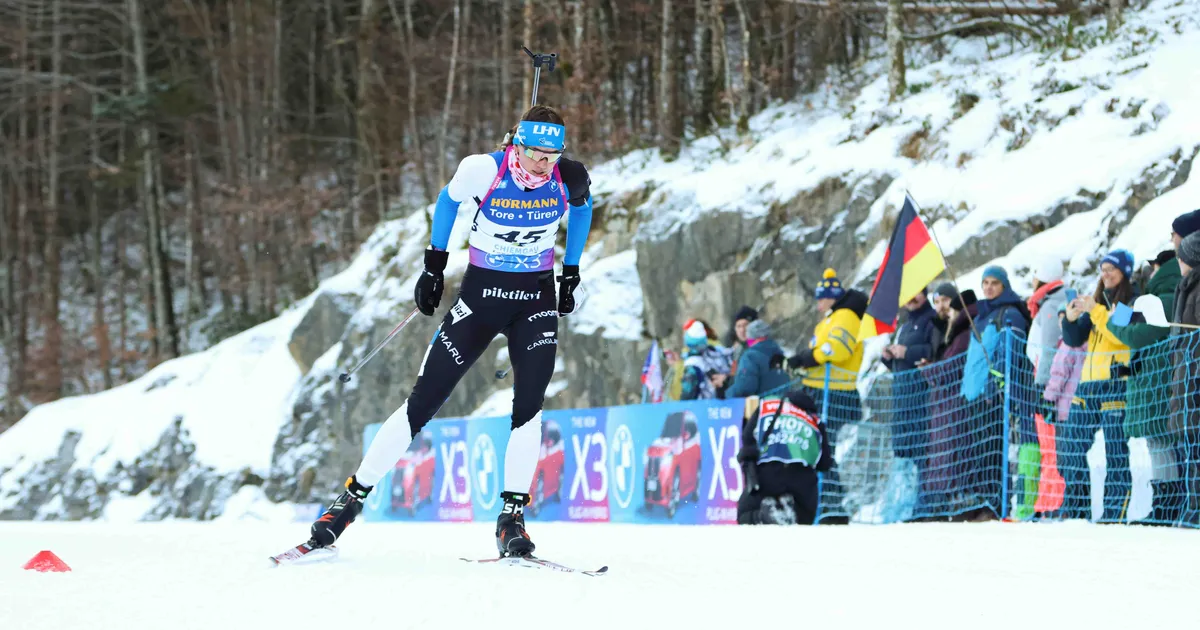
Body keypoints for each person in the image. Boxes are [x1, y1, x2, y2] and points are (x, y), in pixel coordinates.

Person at [307, 105, 594, 558]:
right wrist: (433, 265)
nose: (544, 164)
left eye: (552, 155)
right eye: (536, 154)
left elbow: (583, 210)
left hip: (534, 301)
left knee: (530, 406)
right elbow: (447, 201)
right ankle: (348, 501)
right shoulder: (482, 170)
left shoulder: (570, 175)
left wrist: (571, 272)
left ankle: (511, 520)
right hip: (480, 300)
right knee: (422, 401)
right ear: (516, 145)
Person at [1061, 250, 1137, 522]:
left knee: (1115, 452)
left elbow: (1120, 336)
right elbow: (1073, 339)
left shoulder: (1132, 300)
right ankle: (1076, 512)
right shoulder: (1098, 302)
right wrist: (1070, 320)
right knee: (1071, 448)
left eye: (1111, 269)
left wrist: (1097, 312)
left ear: (1125, 272)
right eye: (1103, 269)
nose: (1105, 274)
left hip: (1116, 383)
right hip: (1088, 385)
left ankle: (1114, 515)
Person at [787, 267, 868, 524]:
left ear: (831, 296)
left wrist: (810, 357)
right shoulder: (830, 319)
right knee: (816, 449)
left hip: (834, 394)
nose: (819, 302)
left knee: (823, 450)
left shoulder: (845, 316)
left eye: (822, 297)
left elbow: (838, 349)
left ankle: (833, 505)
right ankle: (825, 503)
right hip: (821, 391)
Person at [1107, 250, 1182, 525]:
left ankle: (1166, 508)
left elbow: (1139, 335)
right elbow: (1137, 324)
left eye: (1153, 266)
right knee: (1159, 444)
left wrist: (1112, 320)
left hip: (1159, 384)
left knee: (1161, 444)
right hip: (1156, 382)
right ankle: (1165, 506)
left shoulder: (1165, 299)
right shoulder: (1160, 298)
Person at [880, 286, 945, 517]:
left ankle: (923, 508)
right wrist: (889, 357)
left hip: (922, 399)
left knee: (922, 454)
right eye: (907, 293)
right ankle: (904, 507)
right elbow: (901, 363)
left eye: (916, 292)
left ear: (925, 294)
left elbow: (935, 351)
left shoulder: (932, 321)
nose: (911, 298)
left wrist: (906, 352)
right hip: (901, 401)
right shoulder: (905, 324)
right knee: (903, 454)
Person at [737, 390, 833, 525]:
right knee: (804, 519)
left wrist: (751, 459)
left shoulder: (767, 406)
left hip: (768, 474)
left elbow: (747, 436)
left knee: (744, 513)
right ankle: (789, 509)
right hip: (802, 480)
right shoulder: (815, 420)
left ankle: (764, 516)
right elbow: (825, 463)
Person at [1170, 231, 1200, 526]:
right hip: (1187, 378)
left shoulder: (1197, 288)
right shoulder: (1187, 287)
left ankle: (1195, 512)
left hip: (1195, 379)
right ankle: (1192, 510)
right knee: (1192, 449)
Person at [725, 319, 789, 398]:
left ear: (751, 337)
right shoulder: (781, 353)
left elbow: (745, 387)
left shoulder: (750, 357)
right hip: (783, 403)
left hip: (762, 406)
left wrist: (728, 394)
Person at [679, 319, 734, 400]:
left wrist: (680, 407)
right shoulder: (718, 352)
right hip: (725, 401)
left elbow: (688, 393)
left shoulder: (693, 363)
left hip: (702, 406)